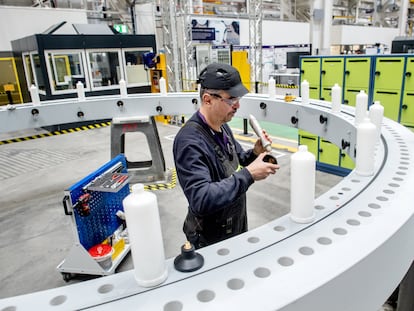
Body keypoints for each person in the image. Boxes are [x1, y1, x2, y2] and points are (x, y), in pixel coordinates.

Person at [173, 63, 280, 249]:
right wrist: (249, 175)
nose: (237, 105)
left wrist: (254, 153)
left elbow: (236, 160)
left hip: (234, 225)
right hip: (209, 239)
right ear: (207, 100)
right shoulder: (189, 142)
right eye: (231, 99)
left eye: (238, 98)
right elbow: (201, 198)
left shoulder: (222, 125)